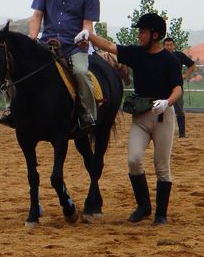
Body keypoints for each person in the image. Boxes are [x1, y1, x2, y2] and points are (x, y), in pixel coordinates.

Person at [76, 13, 182, 225]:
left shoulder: (170, 59)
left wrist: (167, 103)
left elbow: (178, 89)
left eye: (142, 31)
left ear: (155, 34)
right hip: (141, 116)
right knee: (133, 160)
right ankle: (143, 206)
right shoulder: (137, 54)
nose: (139, 35)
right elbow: (110, 46)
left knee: (161, 166)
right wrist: (90, 35)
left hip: (163, 117)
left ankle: (161, 214)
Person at [0, 0, 100, 131]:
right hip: (46, 44)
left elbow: (88, 23)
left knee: (80, 73)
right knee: (18, 68)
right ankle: (10, 110)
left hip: (74, 47)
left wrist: (85, 34)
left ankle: (88, 115)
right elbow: (37, 16)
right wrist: (32, 38)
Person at [163, 37, 196, 137]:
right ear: (163, 46)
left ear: (174, 45)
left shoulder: (179, 55)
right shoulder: (159, 56)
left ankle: (182, 134)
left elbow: (192, 65)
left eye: (170, 45)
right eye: (167, 45)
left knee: (179, 110)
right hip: (162, 88)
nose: (169, 47)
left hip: (177, 87)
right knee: (162, 109)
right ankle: (162, 133)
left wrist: (185, 74)